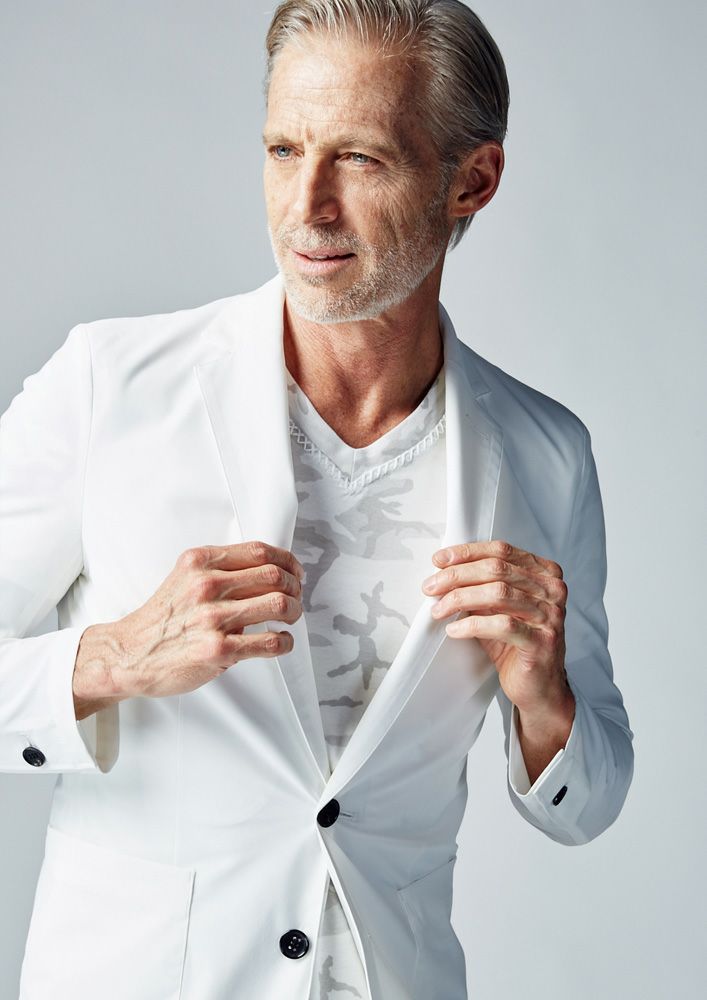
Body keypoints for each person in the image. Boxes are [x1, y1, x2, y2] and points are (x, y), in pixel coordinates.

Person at [0, 2, 634, 998]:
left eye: (360, 159)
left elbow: (587, 802)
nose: (307, 205)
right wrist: (110, 656)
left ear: (471, 180)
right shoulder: (109, 387)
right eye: (283, 149)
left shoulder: (544, 453)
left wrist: (543, 697)